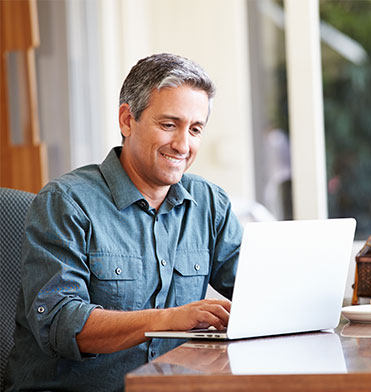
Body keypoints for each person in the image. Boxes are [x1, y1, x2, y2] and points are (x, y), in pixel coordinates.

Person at [5, 53, 242, 391]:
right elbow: (60, 322)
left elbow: (258, 293)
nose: (182, 144)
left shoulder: (209, 204)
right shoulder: (66, 201)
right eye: (169, 124)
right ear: (127, 120)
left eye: (195, 129)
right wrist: (170, 319)